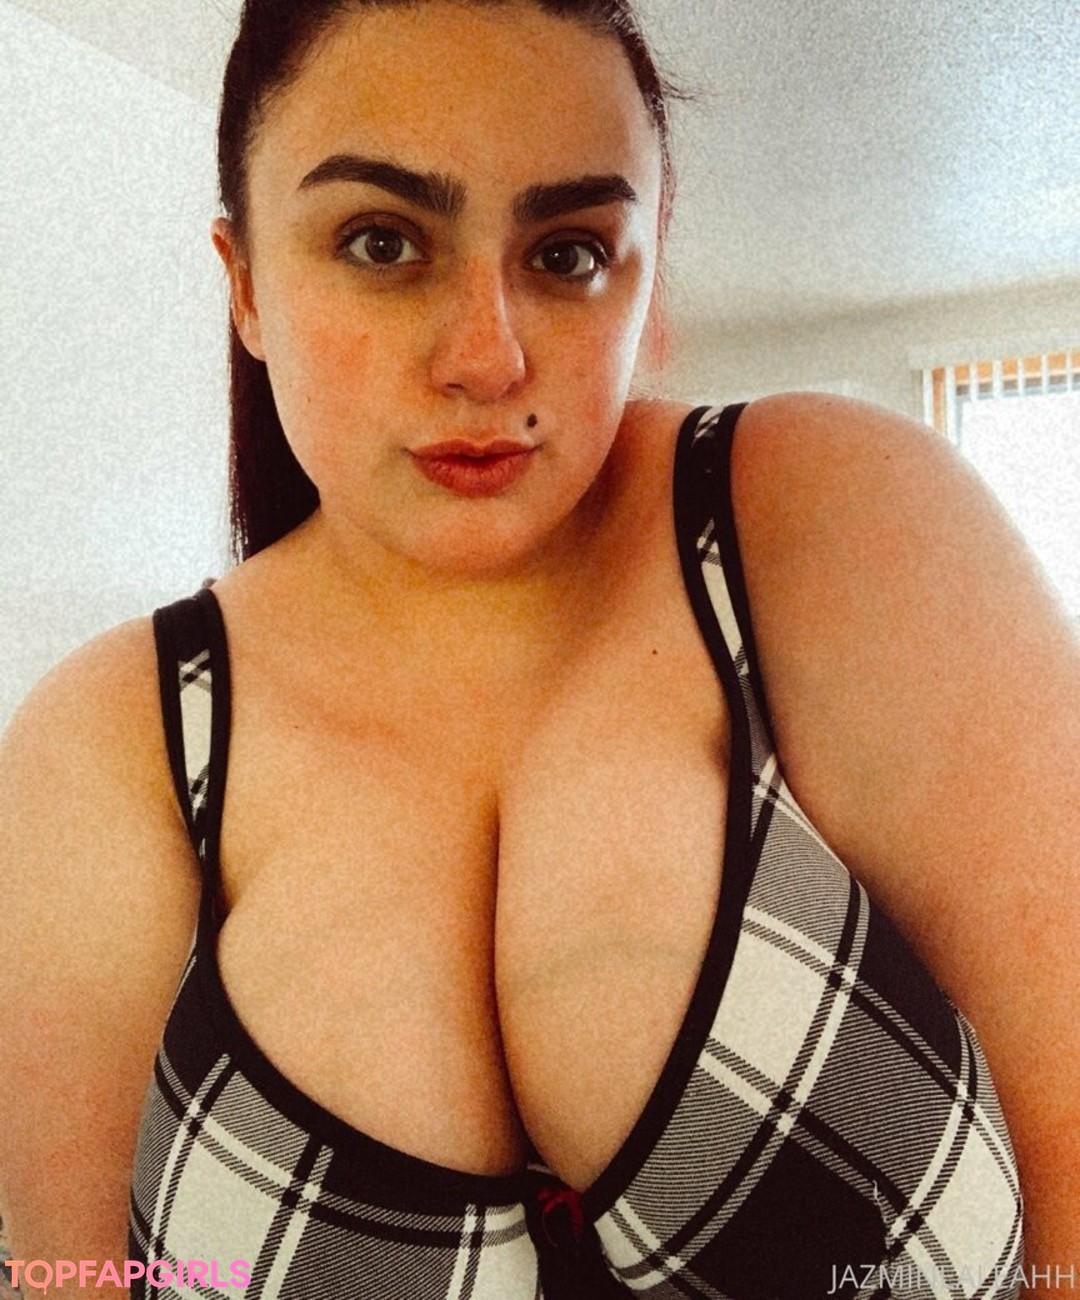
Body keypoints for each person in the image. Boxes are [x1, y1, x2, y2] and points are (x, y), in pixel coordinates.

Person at [0, 1, 1076, 1296]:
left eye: (567, 253)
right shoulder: (107, 749)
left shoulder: (831, 525)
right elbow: (68, 1279)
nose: (486, 357)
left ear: (646, 277)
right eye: (382, 241)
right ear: (245, 286)